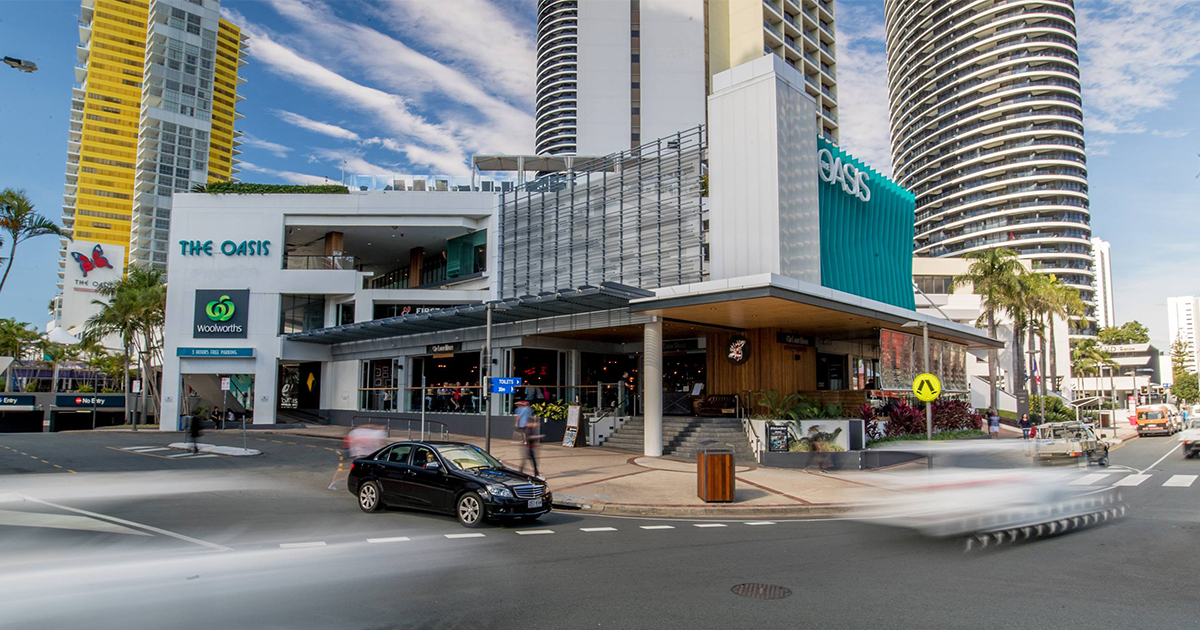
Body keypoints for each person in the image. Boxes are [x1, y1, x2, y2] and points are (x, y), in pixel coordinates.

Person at [514, 400, 540, 477]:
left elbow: (519, 417)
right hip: (526, 429)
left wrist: (517, 423)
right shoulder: (527, 410)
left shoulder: (523, 410)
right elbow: (533, 416)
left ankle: (523, 471)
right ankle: (535, 472)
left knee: (527, 459)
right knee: (530, 459)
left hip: (523, 426)